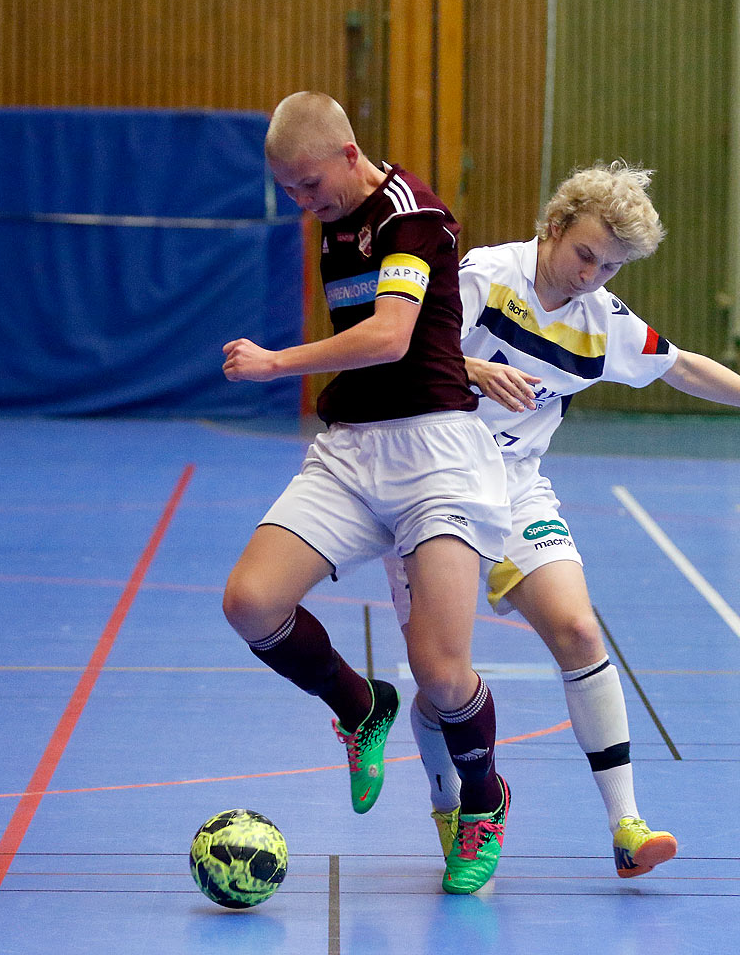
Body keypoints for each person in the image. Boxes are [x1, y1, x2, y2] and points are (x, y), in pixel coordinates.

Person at [385, 160, 740, 879]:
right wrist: (473, 371)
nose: (591, 277)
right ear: (554, 226)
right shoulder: (485, 275)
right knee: (442, 679)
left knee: (578, 628)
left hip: (514, 490)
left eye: (610, 268)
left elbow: (685, 366)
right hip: (430, 482)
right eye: (585, 255)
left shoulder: (603, 324)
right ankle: (452, 801)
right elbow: (408, 344)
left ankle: (626, 825)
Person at [220, 91, 513, 894]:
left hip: (437, 460)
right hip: (352, 453)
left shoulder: (411, 217)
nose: (301, 203)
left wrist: (277, 363)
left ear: (349, 154)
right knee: (249, 602)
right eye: (288, 191)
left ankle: (484, 801)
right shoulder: (334, 219)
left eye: (309, 185)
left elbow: (390, 335)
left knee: (445, 675)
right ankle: (360, 705)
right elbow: (422, 335)